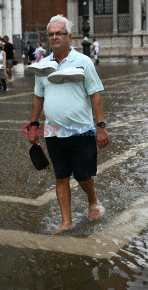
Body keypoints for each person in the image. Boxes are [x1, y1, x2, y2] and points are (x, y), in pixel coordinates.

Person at [27, 14, 109, 234]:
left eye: (59, 33)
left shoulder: (83, 62)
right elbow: (38, 96)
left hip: (81, 131)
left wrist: (101, 127)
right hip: (53, 132)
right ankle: (66, 222)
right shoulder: (42, 66)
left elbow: (95, 95)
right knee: (61, 177)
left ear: (69, 36)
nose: (54, 37)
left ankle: (92, 200)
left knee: (83, 175)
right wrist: (33, 125)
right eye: (51, 34)